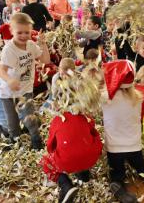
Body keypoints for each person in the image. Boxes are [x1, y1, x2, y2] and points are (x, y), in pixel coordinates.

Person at [102, 61, 144, 203]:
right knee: (141, 169)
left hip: (115, 149)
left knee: (117, 174)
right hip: (134, 146)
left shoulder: (106, 99)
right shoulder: (138, 97)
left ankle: (120, 189)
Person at [40, 64, 103, 203]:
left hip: (68, 162)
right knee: (85, 144)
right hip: (91, 158)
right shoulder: (86, 117)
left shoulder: (58, 119)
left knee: (45, 161)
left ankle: (65, 184)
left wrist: (57, 153)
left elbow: (50, 146)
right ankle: (84, 174)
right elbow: (93, 134)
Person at [0, 12, 50, 149]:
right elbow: (2, 71)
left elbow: (46, 60)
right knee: (13, 123)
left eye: (26, 32)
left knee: (30, 119)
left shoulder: (31, 45)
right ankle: (15, 142)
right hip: (8, 94)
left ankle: (36, 142)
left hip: (25, 90)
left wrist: (43, 43)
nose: (23, 36)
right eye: (19, 32)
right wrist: (9, 80)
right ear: (11, 31)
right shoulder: (9, 50)